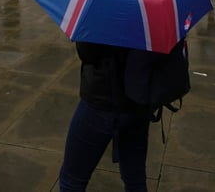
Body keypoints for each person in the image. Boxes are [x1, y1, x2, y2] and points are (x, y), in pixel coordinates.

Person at [58, 42, 152, 191]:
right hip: (138, 102)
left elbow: (88, 54)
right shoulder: (153, 19)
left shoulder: (102, 17)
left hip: (102, 100)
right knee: (135, 179)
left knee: (71, 180)